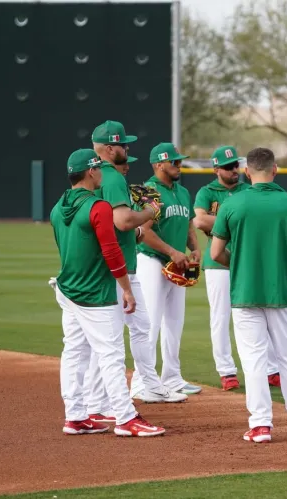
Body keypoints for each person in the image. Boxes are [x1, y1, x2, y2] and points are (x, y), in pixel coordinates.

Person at [210, 147, 287, 443]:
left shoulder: (232, 205)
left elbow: (215, 253)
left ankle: (260, 425)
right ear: (275, 169)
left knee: (253, 362)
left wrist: (240, 264)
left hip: (244, 294)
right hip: (281, 293)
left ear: (247, 172)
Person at [50, 148, 165, 437]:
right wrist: (126, 288)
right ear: (90, 172)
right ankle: (126, 418)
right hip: (95, 293)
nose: (102, 172)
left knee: (74, 351)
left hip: (67, 287)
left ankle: (75, 416)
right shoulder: (98, 206)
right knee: (111, 354)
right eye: (98, 168)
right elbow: (111, 250)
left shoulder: (57, 207)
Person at [84, 121, 187, 426]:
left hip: (113, 265)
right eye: (123, 146)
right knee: (113, 339)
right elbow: (123, 221)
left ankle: (139, 389)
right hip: (116, 270)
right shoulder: (112, 176)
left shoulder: (99, 177)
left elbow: (121, 227)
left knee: (135, 328)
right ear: (109, 147)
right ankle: (101, 403)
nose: (127, 152)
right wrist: (151, 211)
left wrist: (139, 228)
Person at [193, 145, 282, 391]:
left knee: (260, 314)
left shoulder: (247, 189)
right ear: (216, 169)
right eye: (228, 167)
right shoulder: (206, 191)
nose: (234, 170)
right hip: (217, 262)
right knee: (221, 317)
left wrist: (224, 221)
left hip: (247, 261)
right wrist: (237, 221)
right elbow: (199, 219)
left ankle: (271, 369)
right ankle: (227, 371)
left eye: (236, 165)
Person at [129, 142, 204, 397]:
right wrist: (172, 251)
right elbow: (143, 233)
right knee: (149, 324)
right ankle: (142, 384)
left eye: (180, 161)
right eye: (174, 162)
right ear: (159, 164)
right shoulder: (148, 191)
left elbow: (189, 227)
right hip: (151, 261)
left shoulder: (182, 192)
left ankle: (171, 378)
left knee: (174, 322)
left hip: (178, 263)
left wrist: (195, 249)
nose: (178, 165)